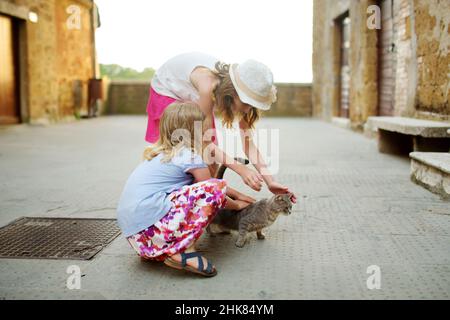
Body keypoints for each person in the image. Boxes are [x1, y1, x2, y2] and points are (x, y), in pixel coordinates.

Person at [117, 102, 251, 277]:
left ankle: (163, 248)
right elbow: (213, 189)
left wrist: (240, 195)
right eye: (204, 129)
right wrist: (239, 205)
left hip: (138, 238)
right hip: (152, 229)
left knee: (204, 188)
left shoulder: (159, 155)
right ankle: (183, 252)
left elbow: (204, 186)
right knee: (214, 188)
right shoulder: (190, 156)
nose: (207, 133)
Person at [146, 52, 297, 203]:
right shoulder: (208, 88)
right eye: (246, 103)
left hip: (194, 94)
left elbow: (248, 145)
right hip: (169, 89)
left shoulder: (243, 101)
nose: (247, 110)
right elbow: (203, 143)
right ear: (232, 93)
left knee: (210, 159)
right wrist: (240, 168)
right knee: (187, 152)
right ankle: (175, 201)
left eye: (252, 105)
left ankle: (210, 200)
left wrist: (270, 182)